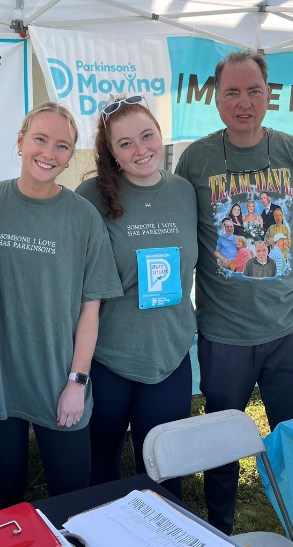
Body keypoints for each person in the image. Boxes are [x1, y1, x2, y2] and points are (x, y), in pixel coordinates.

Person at [175, 50, 293, 535]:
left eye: (253, 91)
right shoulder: (195, 159)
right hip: (223, 333)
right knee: (221, 441)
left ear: (269, 94)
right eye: (232, 92)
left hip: (291, 330)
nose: (244, 102)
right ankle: (220, 530)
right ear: (215, 98)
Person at [0, 103, 123, 511]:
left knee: (72, 500)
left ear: (70, 154)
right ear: (20, 141)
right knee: (6, 496)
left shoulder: (83, 218)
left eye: (62, 146)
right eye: (40, 140)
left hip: (59, 385)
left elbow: (90, 309)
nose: (49, 153)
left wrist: (77, 383)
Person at [76, 95, 197, 500]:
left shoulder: (184, 191)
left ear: (160, 136)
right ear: (111, 152)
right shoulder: (91, 196)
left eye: (147, 136)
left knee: (167, 466)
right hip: (110, 353)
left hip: (170, 352)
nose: (140, 149)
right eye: (125, 143)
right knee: (100, 463)